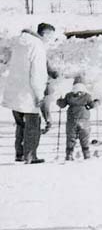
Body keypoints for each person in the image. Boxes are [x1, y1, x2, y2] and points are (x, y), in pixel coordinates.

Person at [3, 23, 54, 164]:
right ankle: (30, 156)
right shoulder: (37, 46)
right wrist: (39, 95)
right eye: (50, 36)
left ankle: (19, 153)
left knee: (20, 125)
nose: (50, 40)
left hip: (14, 92)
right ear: (45, 34)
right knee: (33, 125)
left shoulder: (19, 42)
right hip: (29, 93)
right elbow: (37, 74)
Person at [56, 78, 101, 160]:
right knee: (84, 138)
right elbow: (92, 105)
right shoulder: (87, 96)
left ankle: (69, 155)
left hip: (71, 121)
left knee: (70, 138)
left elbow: (62, 105)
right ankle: (86, 155)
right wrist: (97, 102)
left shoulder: (69, 96)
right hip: (84, 120)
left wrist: (59, 101)